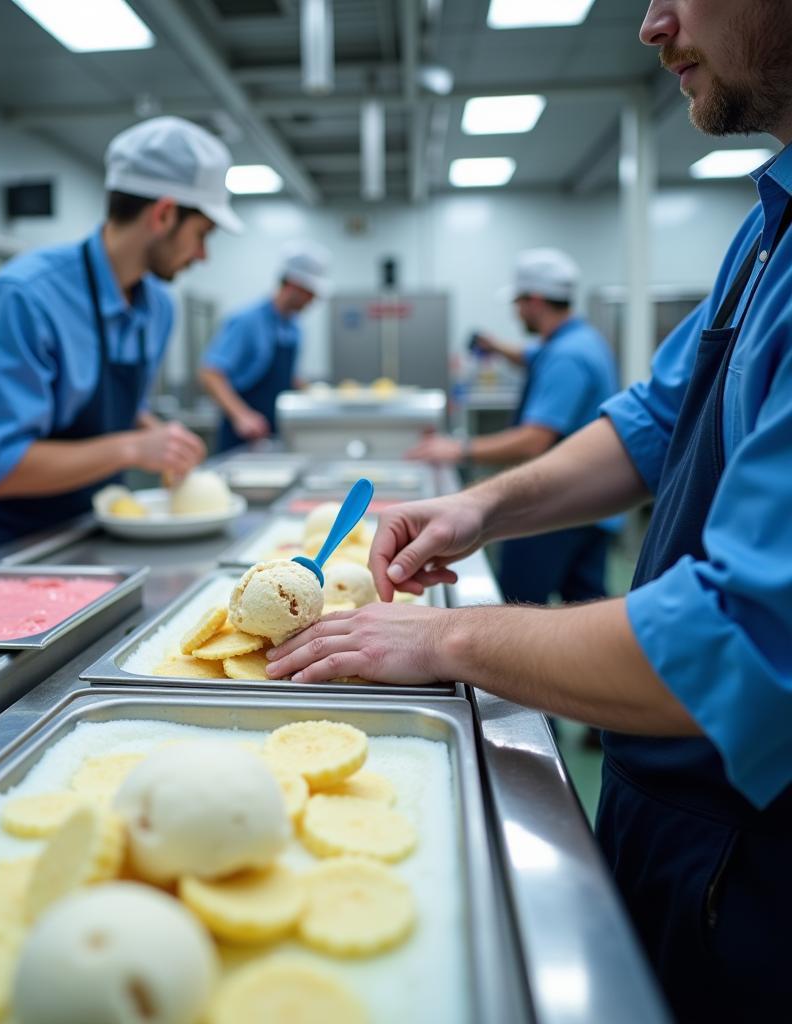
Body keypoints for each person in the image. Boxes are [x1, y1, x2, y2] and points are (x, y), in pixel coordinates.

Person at [266, 1, 792, 1019]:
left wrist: (446, 637)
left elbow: (742, 646)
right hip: (664, 795)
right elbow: (650, 423)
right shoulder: (767, 233)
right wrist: (476, 508)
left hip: (758, 848)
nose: (651, 23)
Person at [0, 116, 243, 553]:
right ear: (163, 214)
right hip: (8, 548)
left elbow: (123, 409)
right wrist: (134, 448)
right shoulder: (26, 297)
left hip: (93, 532)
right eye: (202, 235)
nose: (202, 255)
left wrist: (161, 437)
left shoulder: (158, 306)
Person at [407, 249, 622, 604]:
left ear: (535, 301)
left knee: (518, 604)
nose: (516, 311)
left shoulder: (567, 357)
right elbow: (529, 355)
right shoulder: (579, 338)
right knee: (583, 602)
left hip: (556, 509)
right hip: (591, 507)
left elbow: (533, 441)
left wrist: (458, 448)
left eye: (518, 303)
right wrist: (494, 345)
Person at [200, 241, 331, 452]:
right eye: (309, 292)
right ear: (291, 285)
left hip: (275, 433)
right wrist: (241, 415)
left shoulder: (294, 327)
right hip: (240, 438)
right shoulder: (247, 321)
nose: (312, 300)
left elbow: (286, 379)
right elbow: (211, 374)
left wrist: (314, 395)